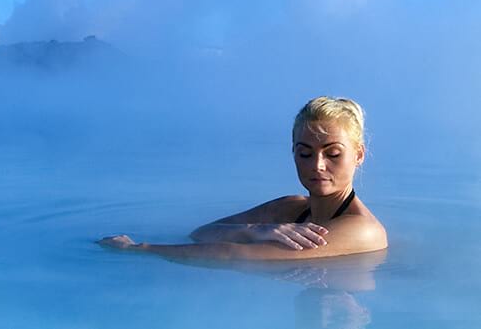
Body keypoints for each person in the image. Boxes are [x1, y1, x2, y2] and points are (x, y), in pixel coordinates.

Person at [98, 96, 388, 260]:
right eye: (305, 153)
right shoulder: (290, 208)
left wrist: (139, 250)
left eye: (333, 154)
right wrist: (253, 230)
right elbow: (201, 233)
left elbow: (238, 257)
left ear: (359, 154)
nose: (318, 165)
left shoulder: (362, 229)